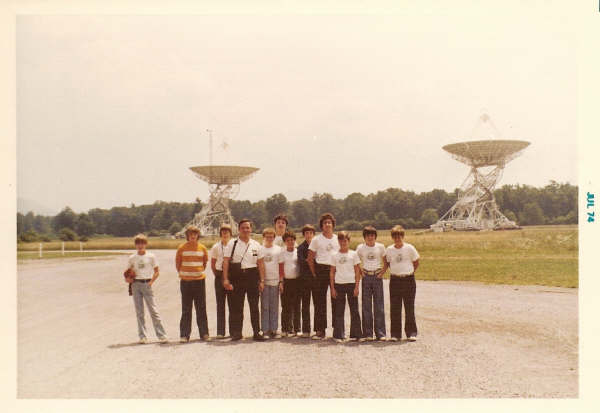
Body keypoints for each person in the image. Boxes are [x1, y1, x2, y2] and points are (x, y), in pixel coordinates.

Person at [222, 219, 265, 341]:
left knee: (254, 306)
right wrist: (225, 279)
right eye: (243, 228)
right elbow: (225, 262)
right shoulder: (232, 243)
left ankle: (257, 332)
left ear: (251, 229)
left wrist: (262, 280)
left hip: (252, 276)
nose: (246, 230)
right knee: (237, 306)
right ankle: (237, 332)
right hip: (237, 277)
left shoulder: (256, 245)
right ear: (239, 229)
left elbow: (260, 264)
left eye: (248, 227)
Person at [126, 234, 168, 344]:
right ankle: (142, 336)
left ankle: (161, 335)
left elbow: (157, 271)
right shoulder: (132, 258)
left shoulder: (151, 257)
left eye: (142, 243)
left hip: (147, 283)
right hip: (136, 284)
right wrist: (128, 279)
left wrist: (151, 282)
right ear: (135, 245)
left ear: (146, 244)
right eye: (138, 243)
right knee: (139, 312)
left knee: (153, 310)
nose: (140, 246)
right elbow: (128, 272)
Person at [382, 225, 420, 342]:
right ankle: (395, 334)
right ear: (392, 237)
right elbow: (386, 262)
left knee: (409, 307)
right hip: (395, 280)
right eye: (395, 236)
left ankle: (411, 333)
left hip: (408, 279)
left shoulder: (409, 248)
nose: (397, 238)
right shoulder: (389, 249)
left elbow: (416, 262)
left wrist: (409, 272)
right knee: (395, 307)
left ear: (403, 236)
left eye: (399, 236)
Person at [175, 225, 210, 343]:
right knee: (186, 309)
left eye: (195, 234)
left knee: (201, 308)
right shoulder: (181, 248)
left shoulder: (203, 248)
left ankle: (204, 333)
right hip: (185, 282)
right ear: (187, 236)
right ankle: (184, 335)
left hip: (199, 281)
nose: (193, 236)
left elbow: (204, 263)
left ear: (198, 236)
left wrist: (196, 272)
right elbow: (178, 264)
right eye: (190, 234)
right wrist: (186, 274)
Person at [307, 212, 339, 339]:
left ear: (333, 225)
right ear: (322, 225)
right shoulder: (316, 239)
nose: (327, 224)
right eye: (325, 223)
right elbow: (310, 258)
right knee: (319, 301)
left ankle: (337, 329)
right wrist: (314, 272)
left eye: (329, 222)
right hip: (320, 270)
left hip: (335, 270)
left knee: (336, 299)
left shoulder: (337, 239)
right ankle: (320, 330)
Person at [329, 231, 362, 343]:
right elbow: (332, 272)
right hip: (339, 284)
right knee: (339, 310)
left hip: (351, 284)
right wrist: (332, 288)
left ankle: (356, 334)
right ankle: (339, 334)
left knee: (354, 310)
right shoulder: (334, 255)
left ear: (349, 241)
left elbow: (357, 271)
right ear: (338, 241)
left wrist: (357, 287)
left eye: (345, 240)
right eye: (341, 240)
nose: (343, 242)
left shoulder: (353, 254)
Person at [356, 226, 387, 341]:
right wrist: (361, 272)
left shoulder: (380, 247)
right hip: (366, 277)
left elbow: (386, 262)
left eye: (372, 235)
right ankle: (368, 333)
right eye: (368, 235)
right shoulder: (360, 248)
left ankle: (380, 333)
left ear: (375, 236)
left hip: (377, 276)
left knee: (379, 306)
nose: (370, 237)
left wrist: (382, 273)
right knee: (366, 306)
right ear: (364, 237)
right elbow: (356, 261)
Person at [209, 223, 234, 339]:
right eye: (223, 232)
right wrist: (218, 276)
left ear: (230, 234)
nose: (225, 234)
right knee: (220, 304)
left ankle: (233, 331)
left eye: (227, 232)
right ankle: (220, 331)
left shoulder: (234, 244)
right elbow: (213, 264)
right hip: (219, 275)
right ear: (220, 234)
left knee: (232, 304)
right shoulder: (215, 247)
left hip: (232, 276)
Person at [257, 227, 282, 339]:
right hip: (264, 281)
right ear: (264, 237)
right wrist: (260, 281)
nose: (269, 238)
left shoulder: (278, 249)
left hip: (275, 281)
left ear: (274, 237)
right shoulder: (260, 249)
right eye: (267, 237)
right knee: (265, 306)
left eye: (271, 237)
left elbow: (281, 267)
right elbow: (258, 266)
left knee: (274, 306)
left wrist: (281, 281)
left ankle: (274, 329)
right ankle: (265, 330)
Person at [279, 230, 301, 337]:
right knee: (285, 306)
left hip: (297, 281)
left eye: (292, 240)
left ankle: (297, 328)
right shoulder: (282, 252)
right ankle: (285, 329)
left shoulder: (298, 252)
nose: (290, 242)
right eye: (288, 240)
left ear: (295, 240)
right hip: (286, 281)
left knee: (297, 306)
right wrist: (281, 282)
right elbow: (281, 268)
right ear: (285, 242)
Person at [296, 224, 316, 338]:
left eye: (311, 233)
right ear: (304, 235)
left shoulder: (317, 246)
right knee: (305, 305)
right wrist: (310, 261)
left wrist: (311, 261)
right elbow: (302, 262)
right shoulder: (300, 248)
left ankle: (319, 329)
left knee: (318, 304)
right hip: (304, 280)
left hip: (316, 279)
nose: (308, 235)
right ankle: (306, 330)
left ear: (314, 234)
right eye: (306, 233)